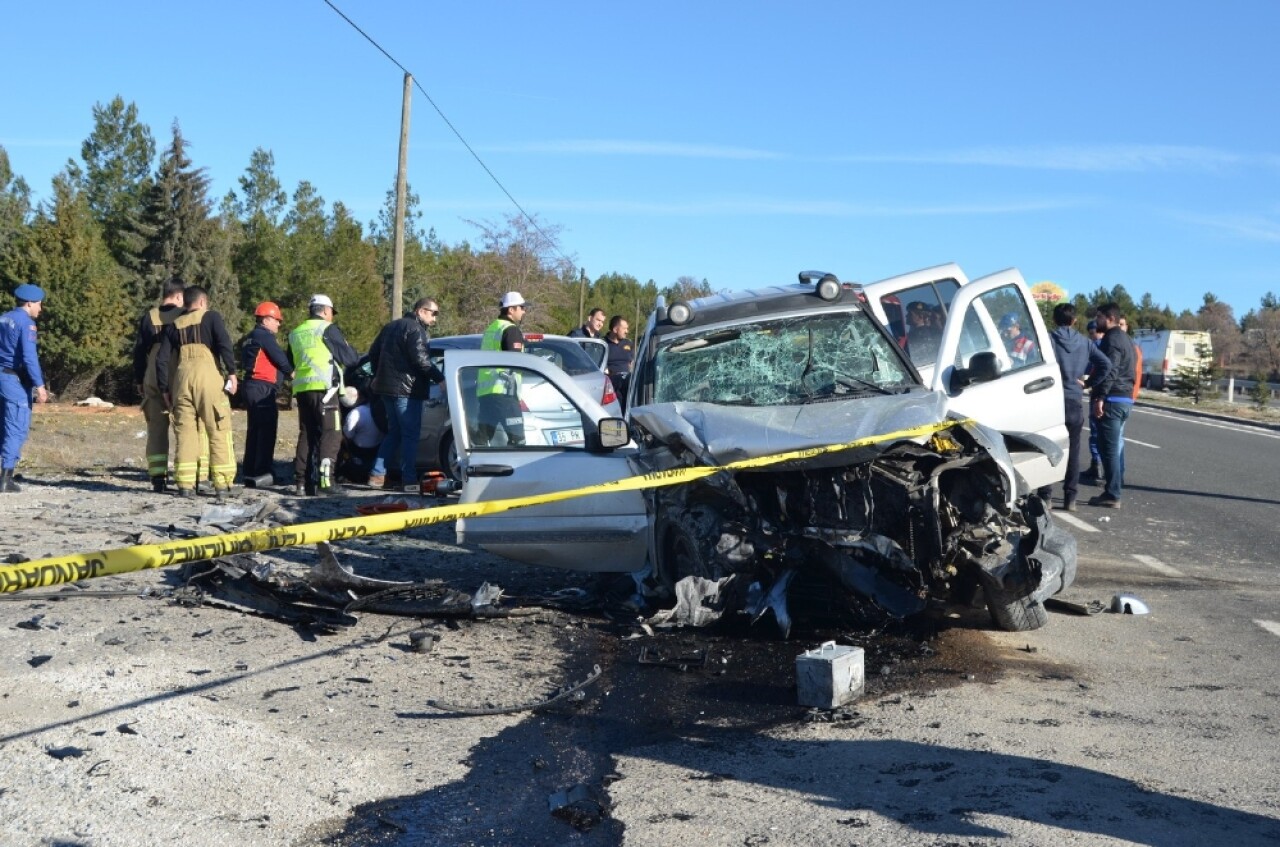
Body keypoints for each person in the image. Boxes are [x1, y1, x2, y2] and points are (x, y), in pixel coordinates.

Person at [154, 286, 238, 501]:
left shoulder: (173, 325)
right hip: (207, 377)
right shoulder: (211, 317)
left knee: (185, 433)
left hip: (182, 380)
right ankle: (223, 484)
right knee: (218, 428)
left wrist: (165, 389)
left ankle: (185, 485)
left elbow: (162, 360)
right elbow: (224, 344)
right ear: (202, 302)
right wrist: (232, 373)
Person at [366, 297, 445, 490]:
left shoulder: (390, 327)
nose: (434, 319)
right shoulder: (416, 330)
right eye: (433, 313)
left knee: (394, 432)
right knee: (410, 434)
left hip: (386, 390)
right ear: (420, 311)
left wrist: (378, 375)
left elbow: (373, 353)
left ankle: (377, 475)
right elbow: (421, 361)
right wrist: (440, 379)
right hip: (407, 392)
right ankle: (409, 479)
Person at [1037, 304, 1111, 511]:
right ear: (1074, 320)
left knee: (1048, 448)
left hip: (1052, 399)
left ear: (1054, 319)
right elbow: (1106, 364)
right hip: (1074, 399)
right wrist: (1089, 383)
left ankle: (1045, 496)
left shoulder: (1048, 340)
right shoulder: (1085, 343)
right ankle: (1070, 497)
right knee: (1074, 450)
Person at [288, 294, 358, 496]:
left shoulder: (296, 333)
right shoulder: (327, 329)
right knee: (332, 433)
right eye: (331, 313)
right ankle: (327, 483)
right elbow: (350, 358)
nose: (332, 317)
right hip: (326, 391)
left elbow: (291, 361)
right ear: (326, 311)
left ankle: (302, 483)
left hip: (303, 391)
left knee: (307, 434)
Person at [131, 278, 186, 492]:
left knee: (156, 429)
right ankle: (188, 478)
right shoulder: (185, 316)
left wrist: (138, 379)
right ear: (179, 296)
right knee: (187, 428)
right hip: (179, 372)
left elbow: (139, 351)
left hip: (153, 374)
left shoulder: (149, 317)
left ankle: (157, 478)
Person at [0, 284, 49, 493]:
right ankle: (5, 479)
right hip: (13, 380)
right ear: (29, 303)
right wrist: (40, 386)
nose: (40, 308)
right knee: (16, 428)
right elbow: (29, 357)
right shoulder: (26, 324)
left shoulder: (3, 318)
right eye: (39, 304)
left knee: (3, 426)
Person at [1088, 303, 1137, 509]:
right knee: (1116, 446)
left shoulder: (1112, 339)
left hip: (1113, 399)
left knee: (1107, 448)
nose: (1096, 321)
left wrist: (1099, 396)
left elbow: (1110, 369)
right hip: (1125, 398)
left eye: (1099, 317)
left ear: (1109, 318)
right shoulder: (1127, 339)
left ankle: (1112, 493)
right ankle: (1116, 485)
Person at [240, 301, 293, 487]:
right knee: (266, 431)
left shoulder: (250, 336)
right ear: (267, 319)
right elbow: (279, 358)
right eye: (277, 320)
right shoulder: (264, 335)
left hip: (252, 386)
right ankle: (263, 472)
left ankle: (250, 470)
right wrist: (291, 372)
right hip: (262, 387)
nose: (279, 324)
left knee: (255, 430)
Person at [476, 291, 529, 446]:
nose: (524, 311)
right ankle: (516, 469)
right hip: (505, 392)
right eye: (522, 307)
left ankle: (478, 468)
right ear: (511, 309)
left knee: (482, 440)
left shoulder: (492, 328)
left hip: (486, 394)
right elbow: (514, 361)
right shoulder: (511, 330)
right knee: (518, 439)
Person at [338, 386, 384, 484]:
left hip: (360, 450)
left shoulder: (354, 414)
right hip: (378, 447)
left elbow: (348, 435)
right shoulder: (377, 408)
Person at [1080, 319, 1105, 485]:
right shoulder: (1115, 343)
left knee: (1095, 431)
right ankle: (1111, 470)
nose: (1092, 337)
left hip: (1098, 392)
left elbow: (1088, 368)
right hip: (1115, 394)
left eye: (1092, 333)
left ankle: (1096, 465)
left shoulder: (1095, 346)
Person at [604, 315, 634, 412]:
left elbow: (630, 363)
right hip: (610, 381)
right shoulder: (603, 344)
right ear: (615, 329)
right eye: (624, 328)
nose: (627, 331)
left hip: (627, 380)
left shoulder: (628, 343)